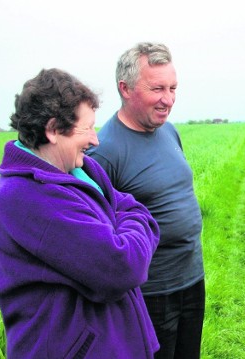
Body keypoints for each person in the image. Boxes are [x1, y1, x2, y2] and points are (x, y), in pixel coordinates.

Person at [0, 68, 160, 358]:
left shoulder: (81, 169)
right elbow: (123, 267)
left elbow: (133, 207)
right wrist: (129, 227)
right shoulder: (24, 197)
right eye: (87, 128)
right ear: (52, 129)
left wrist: (126, 225)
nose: (96, 140)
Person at [87, 42, 205, 359]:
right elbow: (99, 236)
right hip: (149, 294)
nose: (168, 99)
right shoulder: (105, 151)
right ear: (125, 88)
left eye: (173, 88)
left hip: (193, 279)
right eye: (157, 89)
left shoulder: (169, 133)